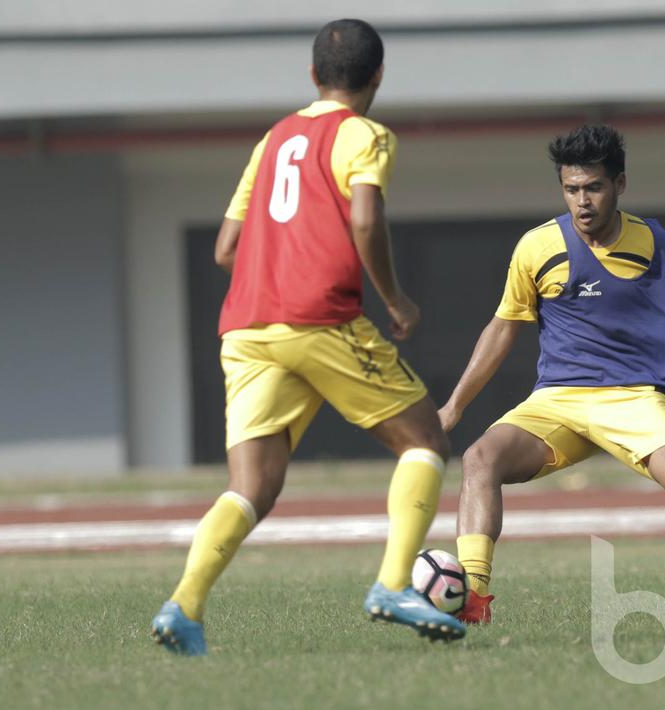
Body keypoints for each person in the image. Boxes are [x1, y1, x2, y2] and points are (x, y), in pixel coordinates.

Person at [150, 19, 465, 655]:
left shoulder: (274, 139)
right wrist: (395, 299)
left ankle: (183, 607)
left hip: (245, 327)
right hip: (318, 318)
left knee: (253, 487)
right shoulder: (365, 134)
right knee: (425, 438)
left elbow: (224, 249)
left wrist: (277, 264)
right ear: (378, 76)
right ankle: (392, 584)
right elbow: (366, 219)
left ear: (313, 76)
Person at [439, 125, 665, 624]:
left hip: (636, 398)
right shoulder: (536, 247)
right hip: (558, 401)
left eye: (594, 188)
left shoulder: (655, 242)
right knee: (480, 458)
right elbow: (502, 328)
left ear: (620, 184)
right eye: (571, 189)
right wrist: (454, 406)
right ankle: (473, 602)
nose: (582, 201)